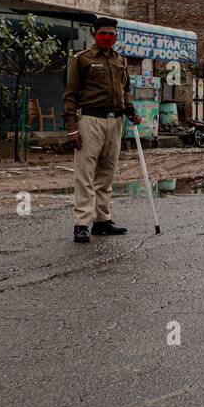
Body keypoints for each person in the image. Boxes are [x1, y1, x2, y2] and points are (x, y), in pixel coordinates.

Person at [64, 16, 140, 243]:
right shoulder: (82, 60)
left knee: (107, 173)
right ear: (95, 35)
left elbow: (124, 90)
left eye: (112, 34)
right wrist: (71, 128)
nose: (108, 38)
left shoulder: (120, 61)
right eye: (103, 34)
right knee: (85, 173)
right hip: (90, 120)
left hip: (115, 122)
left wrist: (130, 111)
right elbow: (70, 95)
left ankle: (102, 220)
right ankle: (82, 224)